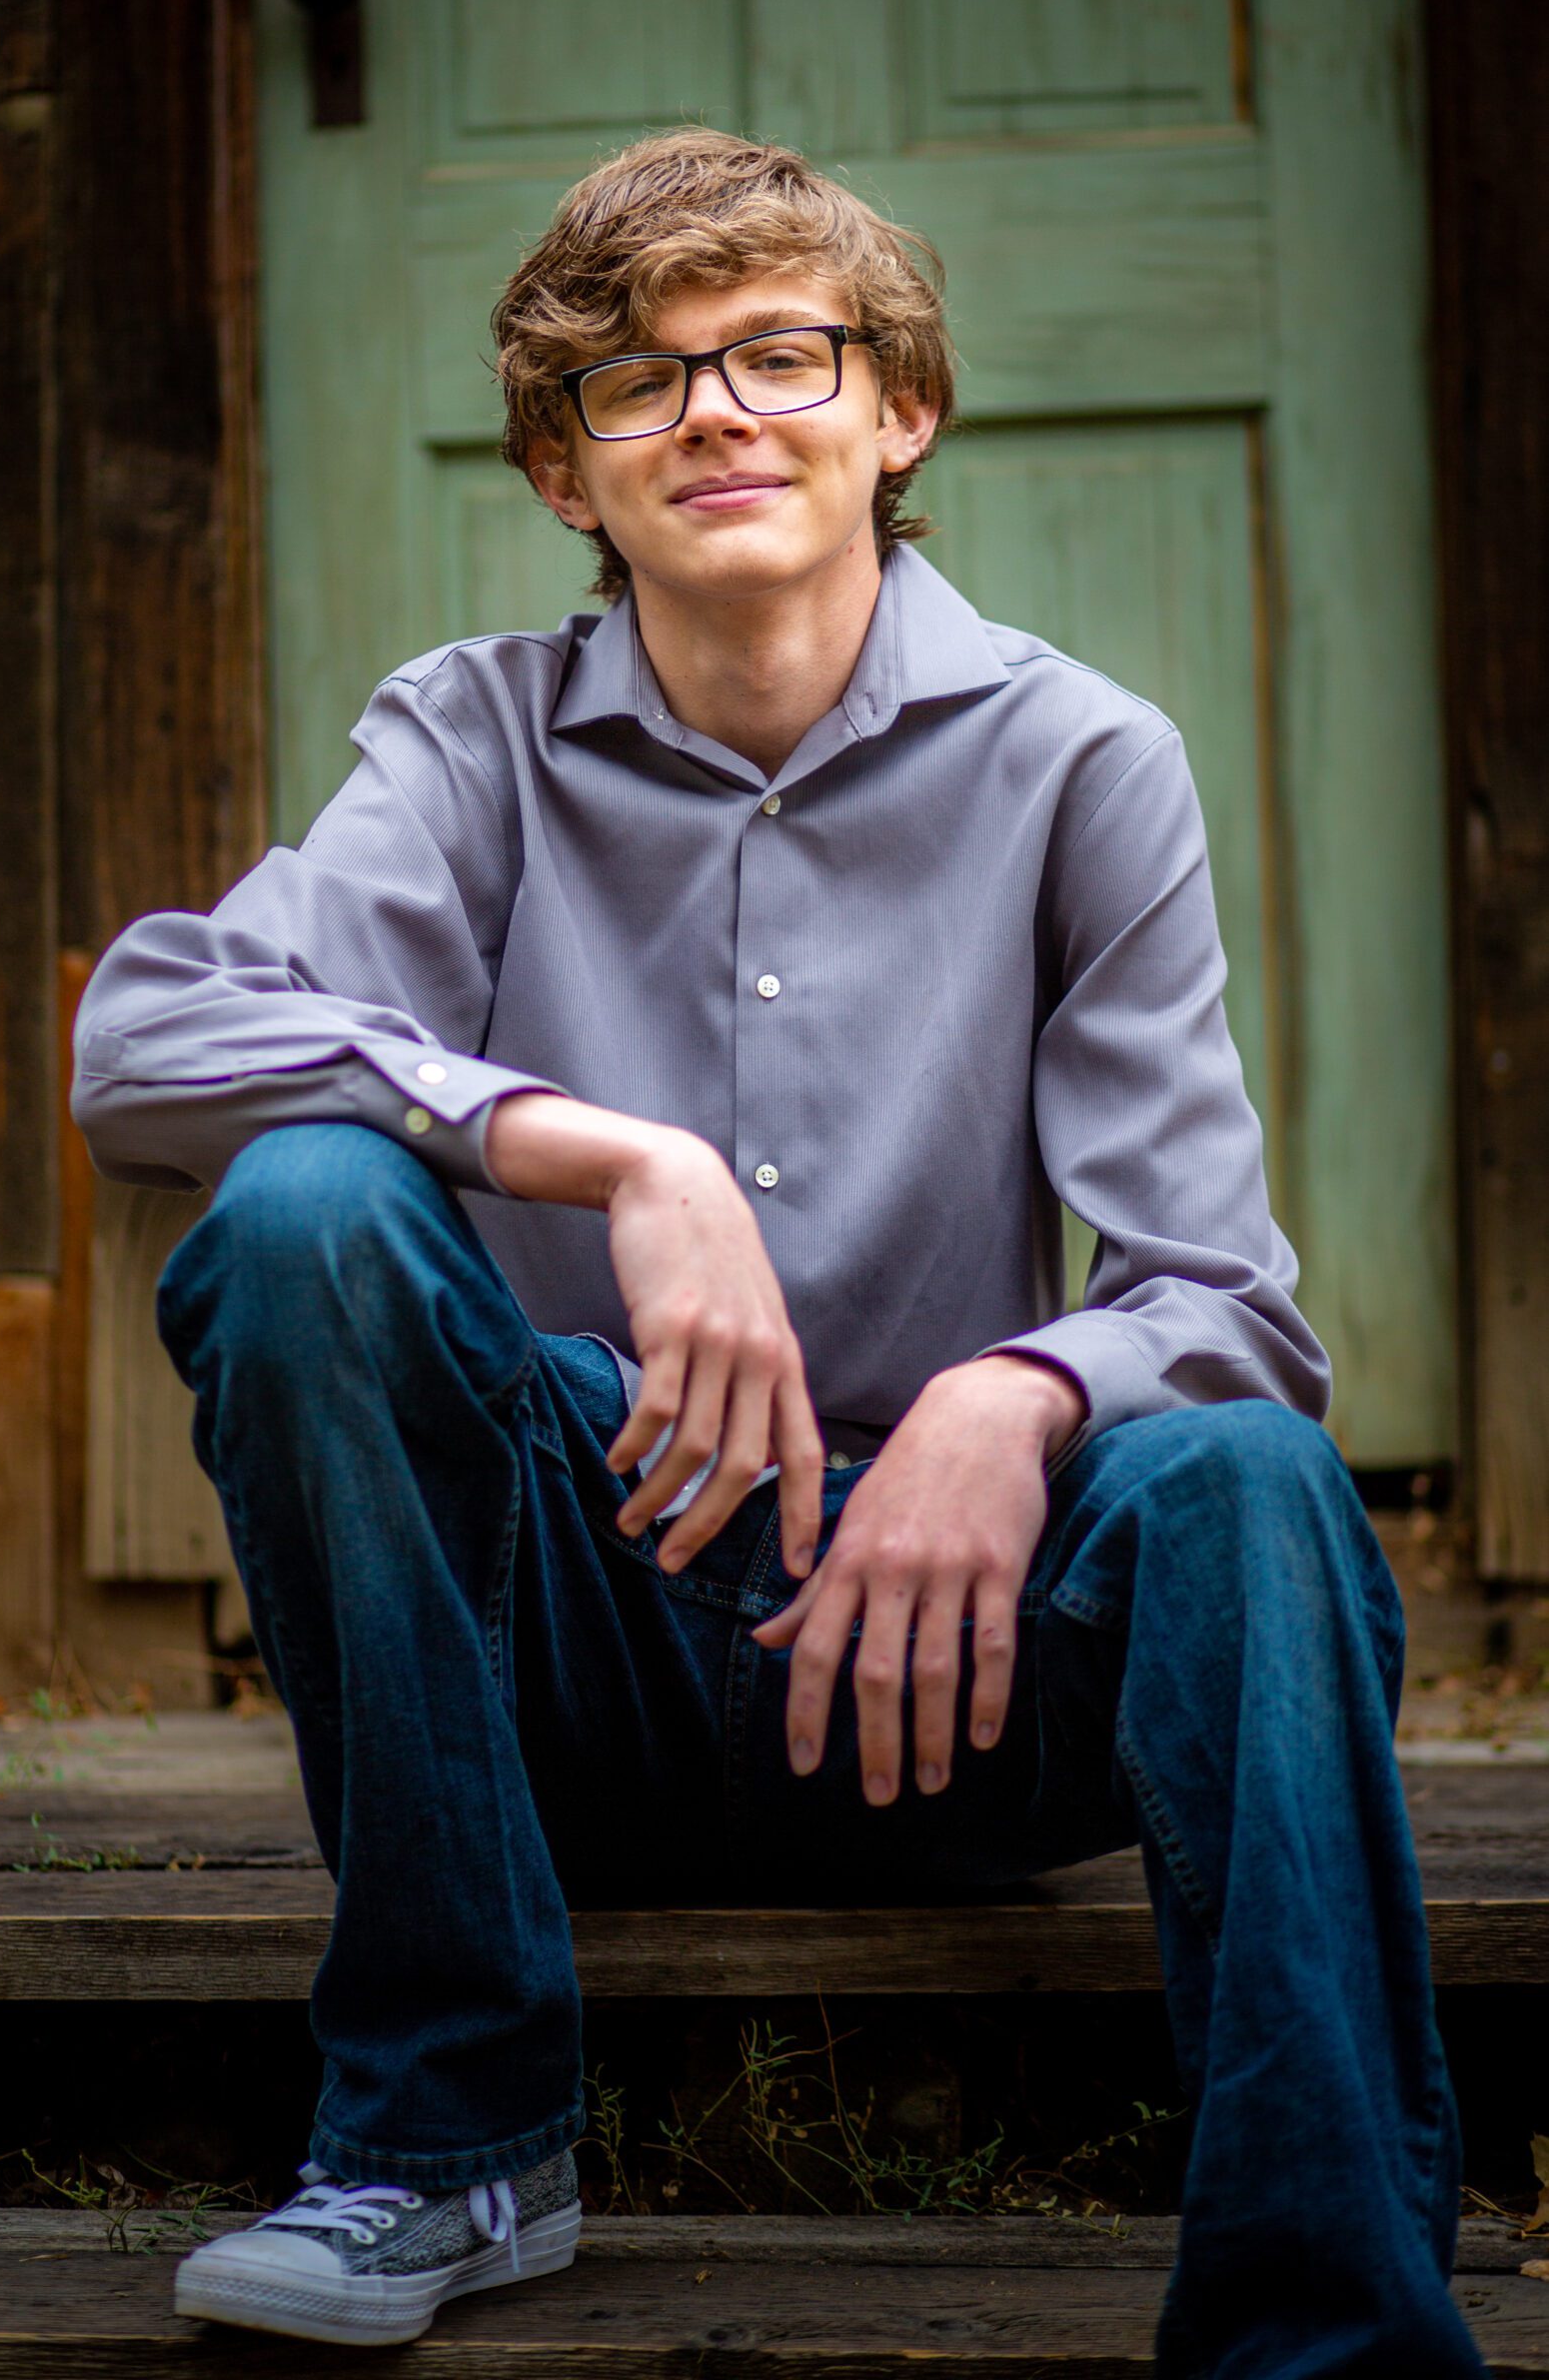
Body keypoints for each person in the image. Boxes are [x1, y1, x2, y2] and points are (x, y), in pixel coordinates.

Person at [71, 128, 1481, 2372]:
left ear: (894, 406)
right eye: (637, 381)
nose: (713, 410)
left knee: (1241, 1479)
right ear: (566, 472)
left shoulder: (1077, 758)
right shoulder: (473, 739)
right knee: (309, 1209)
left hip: (962, 1677)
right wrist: (616, 1158)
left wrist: (1008, 1399)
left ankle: (1318, 2331)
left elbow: (1225, 1301)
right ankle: (445, 2132)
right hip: (584, 1646)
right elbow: (151, 1036)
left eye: (777, 355)